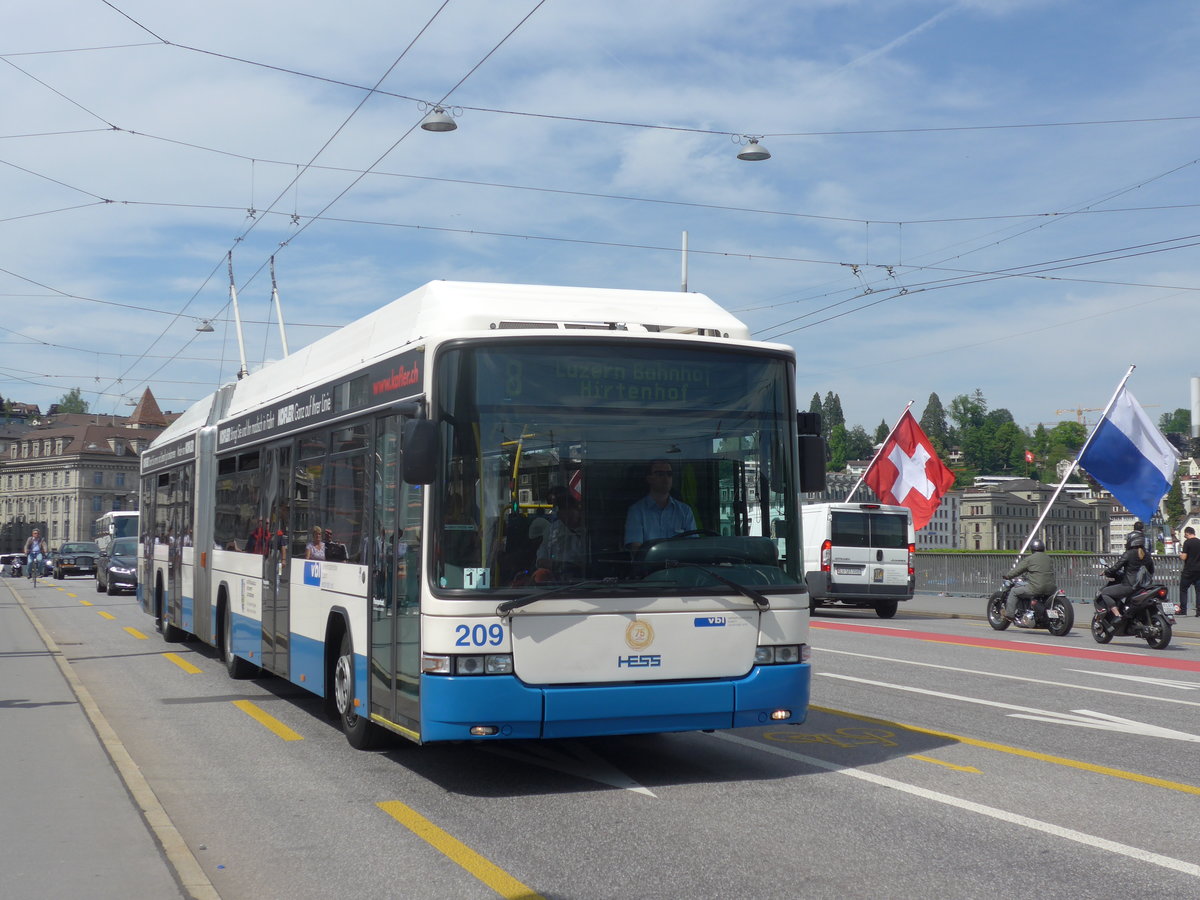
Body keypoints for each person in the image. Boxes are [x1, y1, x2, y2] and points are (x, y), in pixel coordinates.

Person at [624, 460, 697, 551]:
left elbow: (693, 548)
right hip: (649, 565)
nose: (666, 478)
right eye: (660, 474)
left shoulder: (685, 511)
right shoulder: (636, 512)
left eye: (669, 474)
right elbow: (637, 552)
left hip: (681, 564)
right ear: (649, 478)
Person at [1100, 531, 1154, 622]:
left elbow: (1116, 567)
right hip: (1144, 587)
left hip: (1129, 585)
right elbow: (1151, 571)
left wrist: (1106, 572)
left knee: (1105, 592)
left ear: (1131, 541)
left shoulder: (1128, 553)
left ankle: (1117, 616)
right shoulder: (1147, 555)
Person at [1004, 538, 1057, 621]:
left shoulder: (1030, 559)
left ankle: (1009, 615)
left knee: (1014, 591)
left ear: (1032, 549)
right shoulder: (1049, 559)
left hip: (1036, 588)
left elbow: (1018, 570)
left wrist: (1008, 576)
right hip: (1051, 588)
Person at [534, 497, 586, 581]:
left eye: (571, 509)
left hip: (582, 585)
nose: (568, 514)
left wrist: (562, 566)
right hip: (554, 586)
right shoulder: (553, 529)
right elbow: (540, 559)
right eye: (564, 509)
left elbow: (584, 564)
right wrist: (554, 565)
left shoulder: (588, 531)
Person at [1180, 526, 1200, 617]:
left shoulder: (1187, 543)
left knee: (1183, 589)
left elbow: (1184, 557)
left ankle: (1183, 610)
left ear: (1187, 533)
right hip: (1198, 570)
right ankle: (1199, 611)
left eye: (1185, 534)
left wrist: (1180, 555)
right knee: (1198, 591)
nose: (1184, 535)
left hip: (1188, 570)